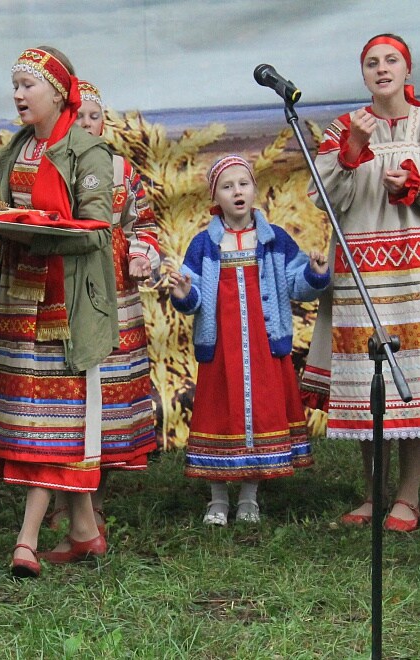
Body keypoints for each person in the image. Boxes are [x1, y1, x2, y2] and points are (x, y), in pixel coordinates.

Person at [0, 47, 117, 578]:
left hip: (65, 305)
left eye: (28, 85)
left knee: (54, 418)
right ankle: (84, 531)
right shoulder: (17, 148)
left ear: (59, 93)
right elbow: (10, 212)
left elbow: (98, 229)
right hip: (18, 299)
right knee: (31, 415)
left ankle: (27, 540)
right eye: (15, 85)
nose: (18, 94)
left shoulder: (88, 151)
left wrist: (37, 230)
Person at [301, 33, 420, 532]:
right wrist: (353, 147)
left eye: (391, 60)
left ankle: (410, 496)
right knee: (370, 382)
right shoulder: (344, 126)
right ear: (364, 73)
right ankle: (374, 492)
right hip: (360, 272)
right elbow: (323, 195)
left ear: (407, 69)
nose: (382, 68)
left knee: (412, 382)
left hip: (413, 269)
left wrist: (413, 184)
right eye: (372, 62)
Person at [171, 156, 328, 524]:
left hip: (263, 346)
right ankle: (217, 500)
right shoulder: (203, 244)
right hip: (221, 349)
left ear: (255, 189)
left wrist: (314, 273)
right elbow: (193, 296)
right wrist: (184, 294)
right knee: (218, 415)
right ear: (215, 197)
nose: (237, 191)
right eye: (227, 187)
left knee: (259, 416)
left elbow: (297, 285)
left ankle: (249, 498)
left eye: (243, 183)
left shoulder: (275, 240)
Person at [45, 80, 159, 533]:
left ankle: (95, 500)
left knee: (110, 393)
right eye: (80, 116)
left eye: (95, 116)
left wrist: (140, 255)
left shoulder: (121, 170)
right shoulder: (50, 163)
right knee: (65, 393)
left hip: (115, 293)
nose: (88, 123)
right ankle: (60, 500)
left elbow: (143, 223)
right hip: (66, 287)